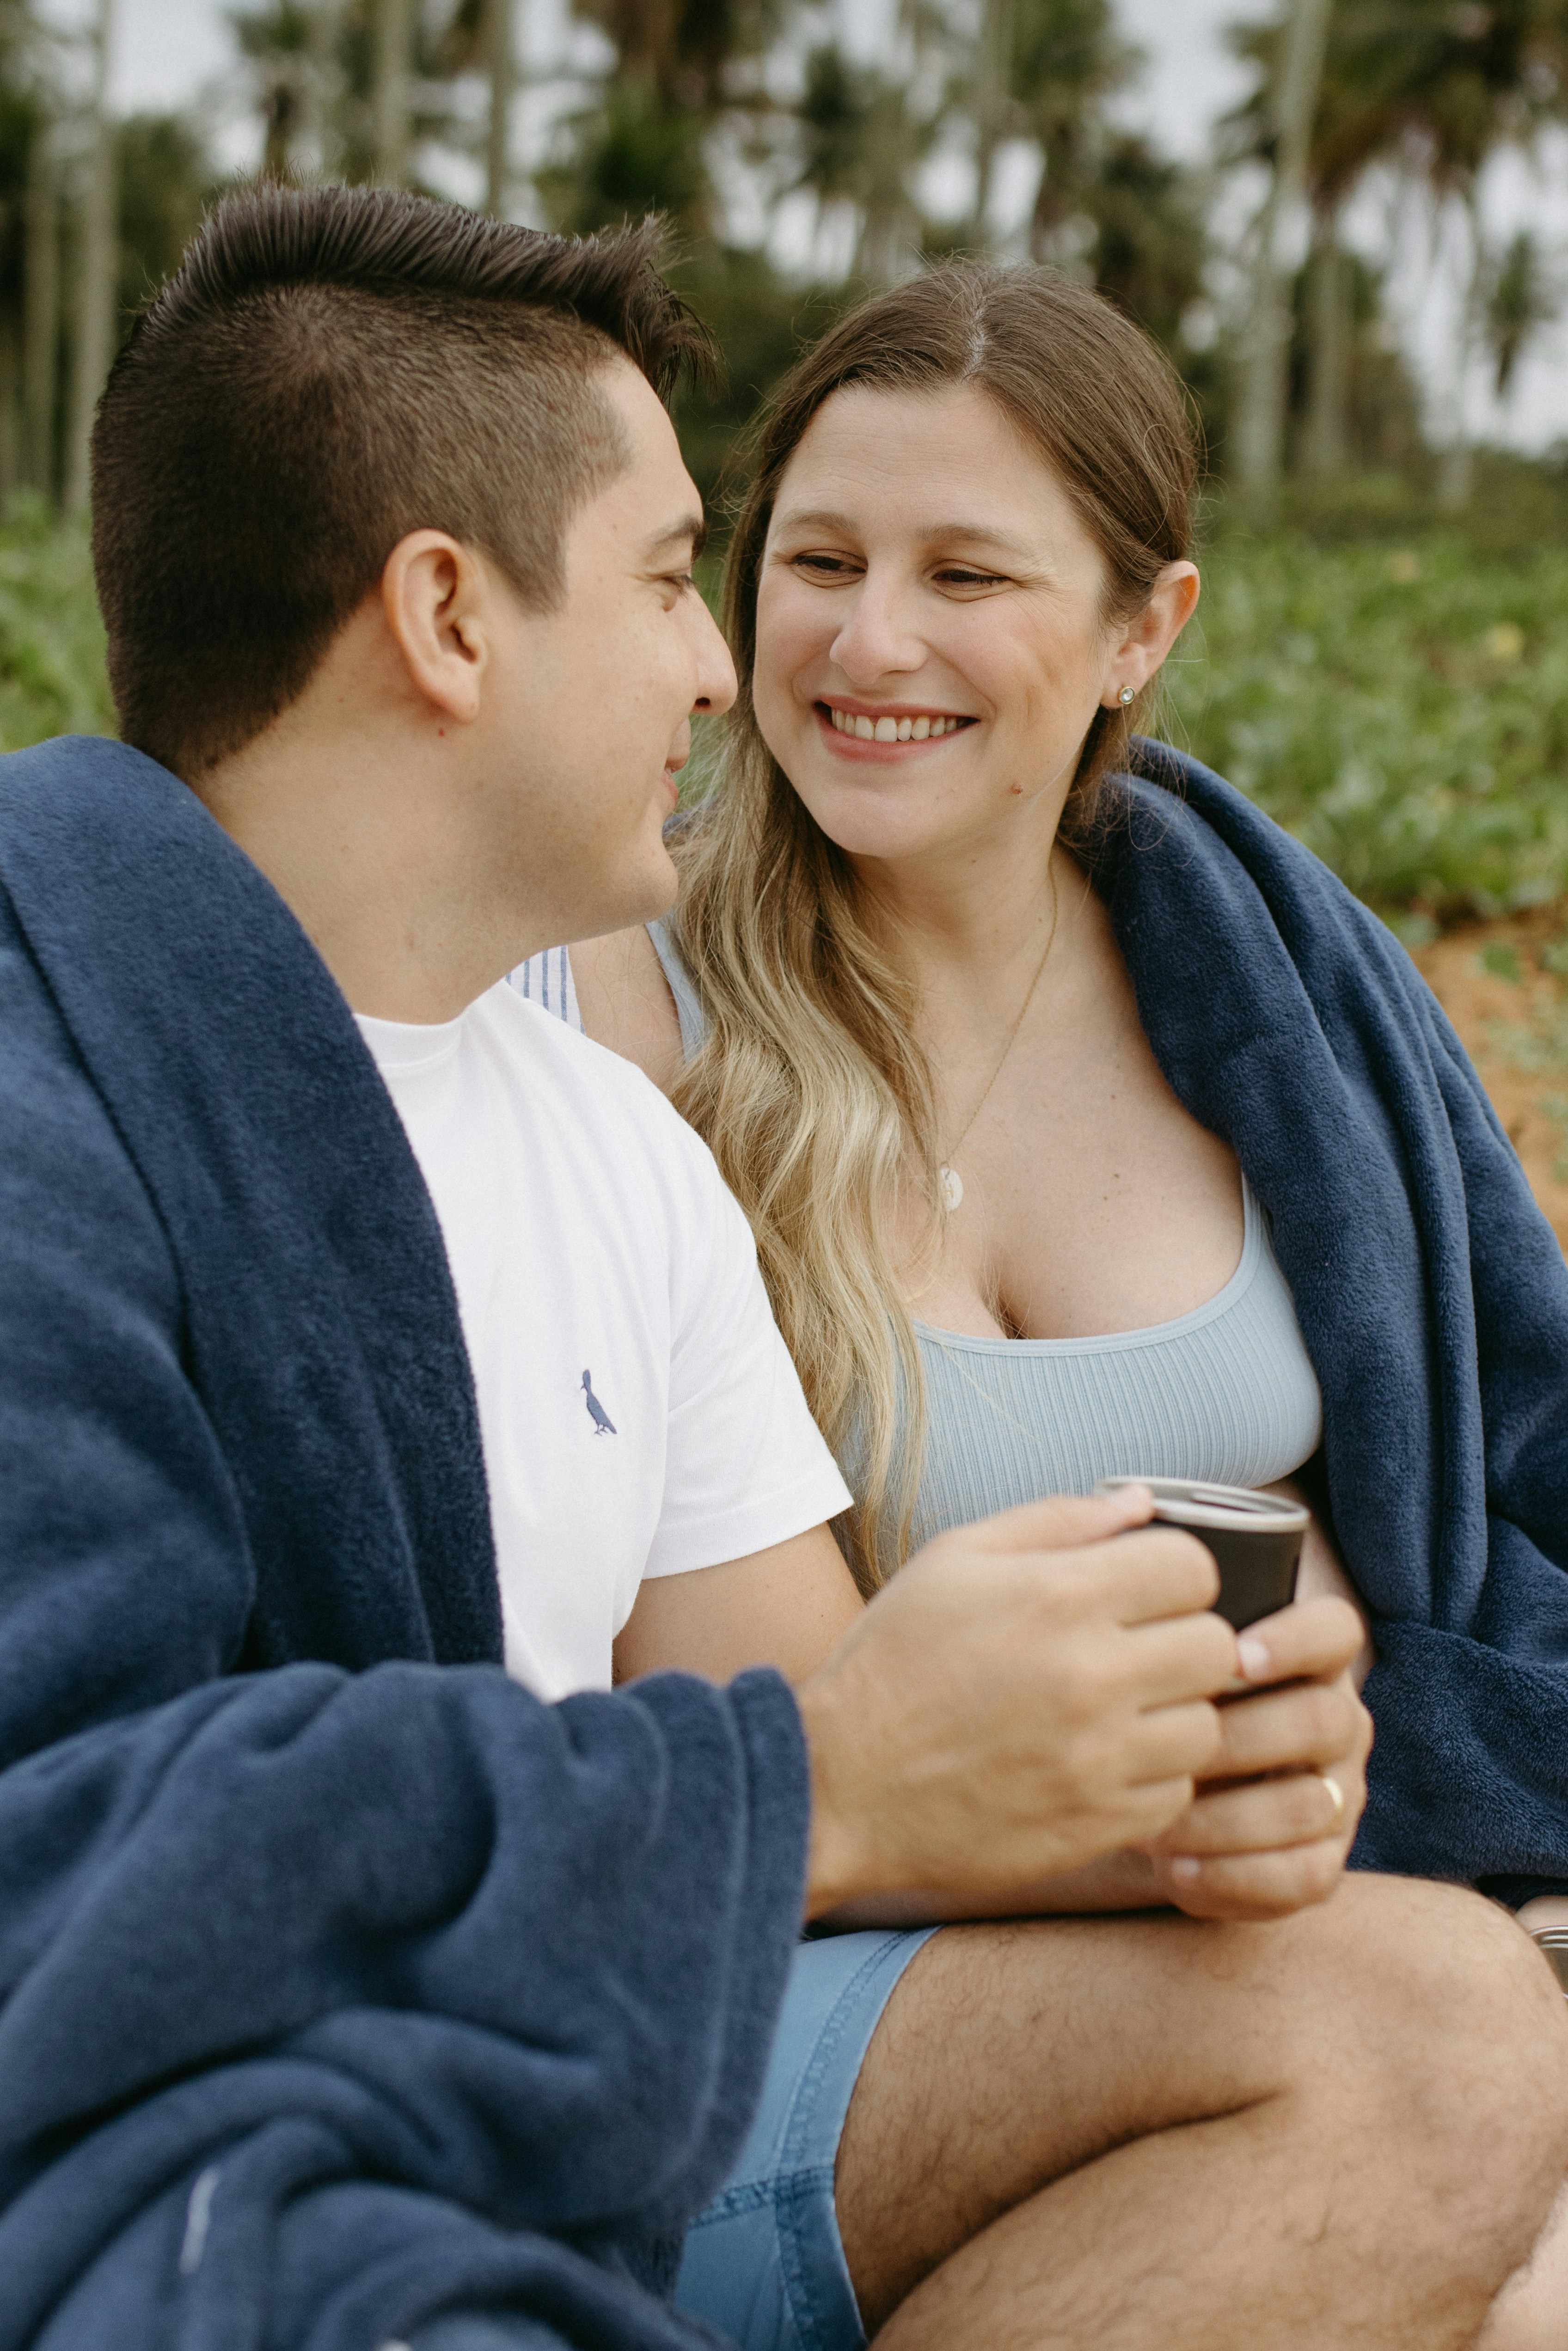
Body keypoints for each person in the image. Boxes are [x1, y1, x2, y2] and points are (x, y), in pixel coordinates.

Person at [0, 186, 1560, 2351]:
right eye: (695, 576)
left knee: (1455, 2061)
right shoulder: (73, 1112)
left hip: (637, 2023)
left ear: (1141, 627)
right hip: (345, 2092)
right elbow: (64, 1869)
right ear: (449, 619)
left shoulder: (610, 1164)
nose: (746, 663)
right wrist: (824, 1786)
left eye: (957, 575)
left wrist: (1173, 1781)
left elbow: (835, 1718)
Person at [533, 260, 1568, 2349]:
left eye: (964, 574)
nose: (867, 640)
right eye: (813, 560)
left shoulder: (1281, 988)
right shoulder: (607, 1024)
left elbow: (1514, 1474)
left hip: (1282, 1910)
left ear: (1136, 630)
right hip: (805, 1979)